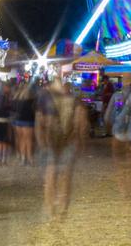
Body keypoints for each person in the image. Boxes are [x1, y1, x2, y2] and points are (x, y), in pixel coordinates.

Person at [37, 80, 88, 218]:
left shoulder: (46, 102)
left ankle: (50, 206)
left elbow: (40, 122)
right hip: (69, 142)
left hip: (51, 143)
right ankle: (63, 207)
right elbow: (81, 123)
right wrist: (81, 142)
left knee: (50, 175)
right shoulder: (76, 102)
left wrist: (42, 141)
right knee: (65, 176)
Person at [12, 82, 36, 164]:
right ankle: (30, 158)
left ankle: (22, 157)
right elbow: (34, 111)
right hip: (28, 121)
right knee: (29, 140)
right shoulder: (31, 100)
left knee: (21, 139)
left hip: (18, 121)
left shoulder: (17, 98)